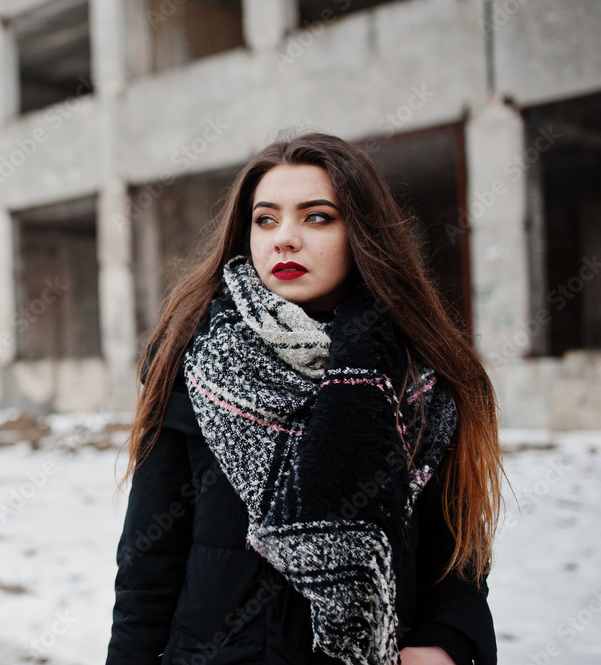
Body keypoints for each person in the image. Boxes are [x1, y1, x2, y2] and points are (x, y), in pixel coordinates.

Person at [106, 132, 504, 665]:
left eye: (317, 217)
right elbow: (146, 567)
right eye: (265, 219)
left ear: (362, 231)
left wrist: (444, 643)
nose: (283, 239)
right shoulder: (196, 363)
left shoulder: (420, 376)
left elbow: (454, 555)